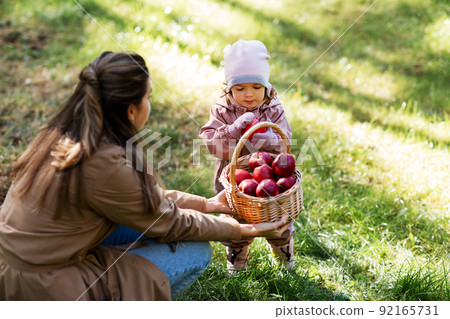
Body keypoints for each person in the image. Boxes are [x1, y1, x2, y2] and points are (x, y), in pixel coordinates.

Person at [0, 51, 291, 301]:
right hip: (42, 285)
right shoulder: (103, 160)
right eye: (148, 97)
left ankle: (123, 265)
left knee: (155, 232)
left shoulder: (71, 131)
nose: (149, 104)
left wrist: (208, 204)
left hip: (30, 258)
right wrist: (242, 231)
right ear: (130, 110)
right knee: (195, 252)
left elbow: (139, 200)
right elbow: (168, 222)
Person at [199, 40, 296, 271]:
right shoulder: (222, 109)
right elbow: (210, 141)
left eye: (256, 87)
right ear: (228, 87)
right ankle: (237, 259)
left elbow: (286, 142)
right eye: (240, 88)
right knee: (235, 218)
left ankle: (284, 255)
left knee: (278, 218)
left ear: (266, 86)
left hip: (270, 175)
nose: (249, 95)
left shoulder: (273, 109)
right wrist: (232, 130)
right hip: (235, 178)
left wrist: (263, 138)